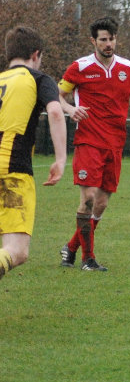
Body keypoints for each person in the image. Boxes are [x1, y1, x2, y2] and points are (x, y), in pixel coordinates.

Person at [57, 16, 130, 271]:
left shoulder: (128, 68)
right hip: (88, 141)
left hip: (115, 144)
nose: (108, 44)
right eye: (103, 39)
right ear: (93, 41)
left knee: (101, 204)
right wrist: (70, 109)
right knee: (88, 198)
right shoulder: (79, 67)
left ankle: (71, 247)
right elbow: (58, 96)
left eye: (111, 39)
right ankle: (88, 259)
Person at [0, 25, 68, 280]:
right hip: (12, 171)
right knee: (16, 251)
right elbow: (55, 112)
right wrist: (61, 159)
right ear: (36, 54)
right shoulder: (39, 79)